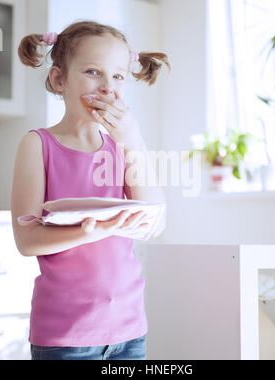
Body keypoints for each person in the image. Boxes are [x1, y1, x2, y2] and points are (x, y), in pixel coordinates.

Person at [11, 20, 170, 360]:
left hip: (129, 330)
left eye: (117, 76)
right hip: (65, 335)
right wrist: (97, 230)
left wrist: (133, 141)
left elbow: (155, 221)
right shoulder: (37, 145)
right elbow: (26, 241)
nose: (107, 88)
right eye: (93, 72)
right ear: (58, 79)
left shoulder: (121, 148)